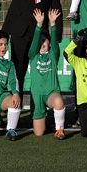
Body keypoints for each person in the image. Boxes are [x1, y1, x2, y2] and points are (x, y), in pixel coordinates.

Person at [28, 8, 65, 139]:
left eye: (45, 41)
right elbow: (33, 44)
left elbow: (55, 43)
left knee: (59, 102)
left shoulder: (53, 55)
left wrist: (53, 24)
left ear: (49, 43)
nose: (42, 43)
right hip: (37, 95)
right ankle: (45, 119)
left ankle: (59, 130)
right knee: (39, 133)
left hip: (51, 92)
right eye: (40, 41)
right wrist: (39, 25)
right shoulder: (33, 56)